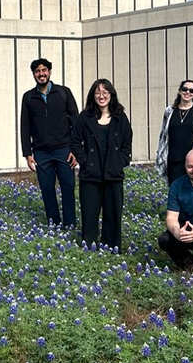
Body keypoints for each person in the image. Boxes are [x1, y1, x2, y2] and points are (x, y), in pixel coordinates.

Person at [70, 78, 133, 249]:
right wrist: (84, 161)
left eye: (105, 92)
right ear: (93, 95)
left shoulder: (120, 117)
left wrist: (122, 161)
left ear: (111, 95)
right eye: (98, 92)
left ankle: (112, 247)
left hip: (113, 173)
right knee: (89, 215)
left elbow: (127, 142)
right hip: (90, 175)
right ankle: (89, 247)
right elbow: (75, 142)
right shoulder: (85, 117)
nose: (101, 96)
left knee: (113, 214)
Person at [20, 57, 79, 227]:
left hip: (64, 149)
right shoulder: (29, 97)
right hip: (41, 152)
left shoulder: (63, 92)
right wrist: (27, 154)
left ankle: (70, 225)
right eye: (37, 71)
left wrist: (76, 149)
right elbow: (25, 126)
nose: (41, 74)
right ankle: (54, 224)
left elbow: (76, 121)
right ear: (34, 74)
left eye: (44, 70)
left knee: (68, 188)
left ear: (49, 72)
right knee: (47, 190)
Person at [155, 79, 193, 185]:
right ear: (179, 91)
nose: (188, 92)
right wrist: (160, 155)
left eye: (191, 91)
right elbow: (163, 136)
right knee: (175, 193)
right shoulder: (169, 111)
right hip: (173, 161)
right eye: (185, 89)